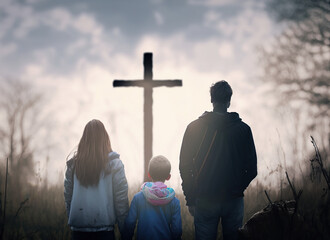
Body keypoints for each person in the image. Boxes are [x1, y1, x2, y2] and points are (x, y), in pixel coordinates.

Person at [179, 80, 257, 240]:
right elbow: (252, 169)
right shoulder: (243, 130)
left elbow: (185, 166)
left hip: (204, 198)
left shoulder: (194, 128)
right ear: (229, 101)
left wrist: (191, 198)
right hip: (234, 200)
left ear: (211, 100)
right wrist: (237, 187)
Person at [64, 119, 129, 240]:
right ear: (105, 139)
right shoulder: (115, 165)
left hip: (78, 231)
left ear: (84, 139)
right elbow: (121, 201)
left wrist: (74, 218)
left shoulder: (73, 165)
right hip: (105, 232)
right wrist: (125, 233)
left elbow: (68, 196)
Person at [124, 155, 182, 240]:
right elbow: (177, 230)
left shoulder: (138, 198)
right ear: (168, 177)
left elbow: (130, 223)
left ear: (149, 175)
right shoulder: (174, 201)